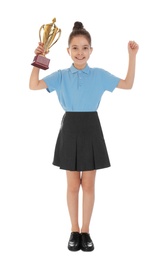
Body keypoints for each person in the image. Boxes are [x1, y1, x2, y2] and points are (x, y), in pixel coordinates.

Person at [29, 21, 139, 252]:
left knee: (88, 185)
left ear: (91, 50)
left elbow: (127, 84)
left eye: (85, 48)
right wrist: (39, 58)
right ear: (68, 51)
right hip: (69, 127)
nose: (80, 52)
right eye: (76, 48)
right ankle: (74, 230)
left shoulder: (98, 75)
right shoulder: (60, 75)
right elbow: (34, 85)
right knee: (72, 186)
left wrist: (132, 55)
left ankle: (86, 231)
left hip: (91, 128)